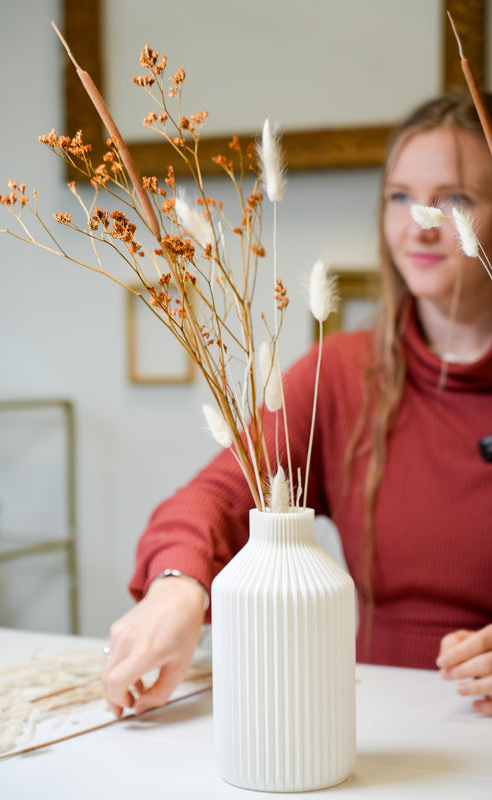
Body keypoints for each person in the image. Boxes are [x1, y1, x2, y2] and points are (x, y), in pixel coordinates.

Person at [102, 92, 492, 718]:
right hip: (383, 727)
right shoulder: (343, 373)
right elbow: (213, 499)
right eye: (399, 196)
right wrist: (178, 588)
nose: (418, 223)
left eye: (455, 199)